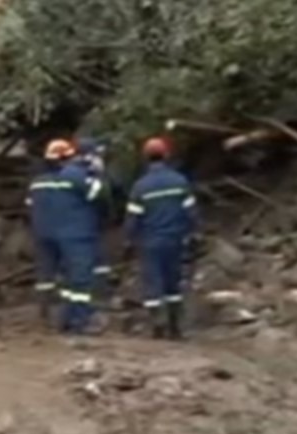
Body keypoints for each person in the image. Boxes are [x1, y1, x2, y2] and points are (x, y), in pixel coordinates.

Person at [27, 138, 105, 334]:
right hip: (76, 236)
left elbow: (30, 205)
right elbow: (100, 194)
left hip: (44, 236)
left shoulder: (37, 182)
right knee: (79, 280)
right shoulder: (75, 176)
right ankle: (79, 322)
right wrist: (97, 173)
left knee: (57, 278)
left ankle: (56, 318)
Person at [124, 136, 197, 339]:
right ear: (166, 155)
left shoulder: (140, 186)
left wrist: (129, 241)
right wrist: (193, 233)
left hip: (150, 241)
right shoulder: (179, 181)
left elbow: (133, 218)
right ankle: (175, 327)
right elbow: (191, 212)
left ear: (145, 157)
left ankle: (157, 324)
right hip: (175, 239)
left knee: (153, 281)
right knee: (173, 281)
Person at [76, 137, 114, 299]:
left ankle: (96, 287)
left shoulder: (71, 170)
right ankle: (98, 290)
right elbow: (101, 195)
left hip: (84, 219)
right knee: (95, 256)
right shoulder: (89, 170)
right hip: (89, 219)